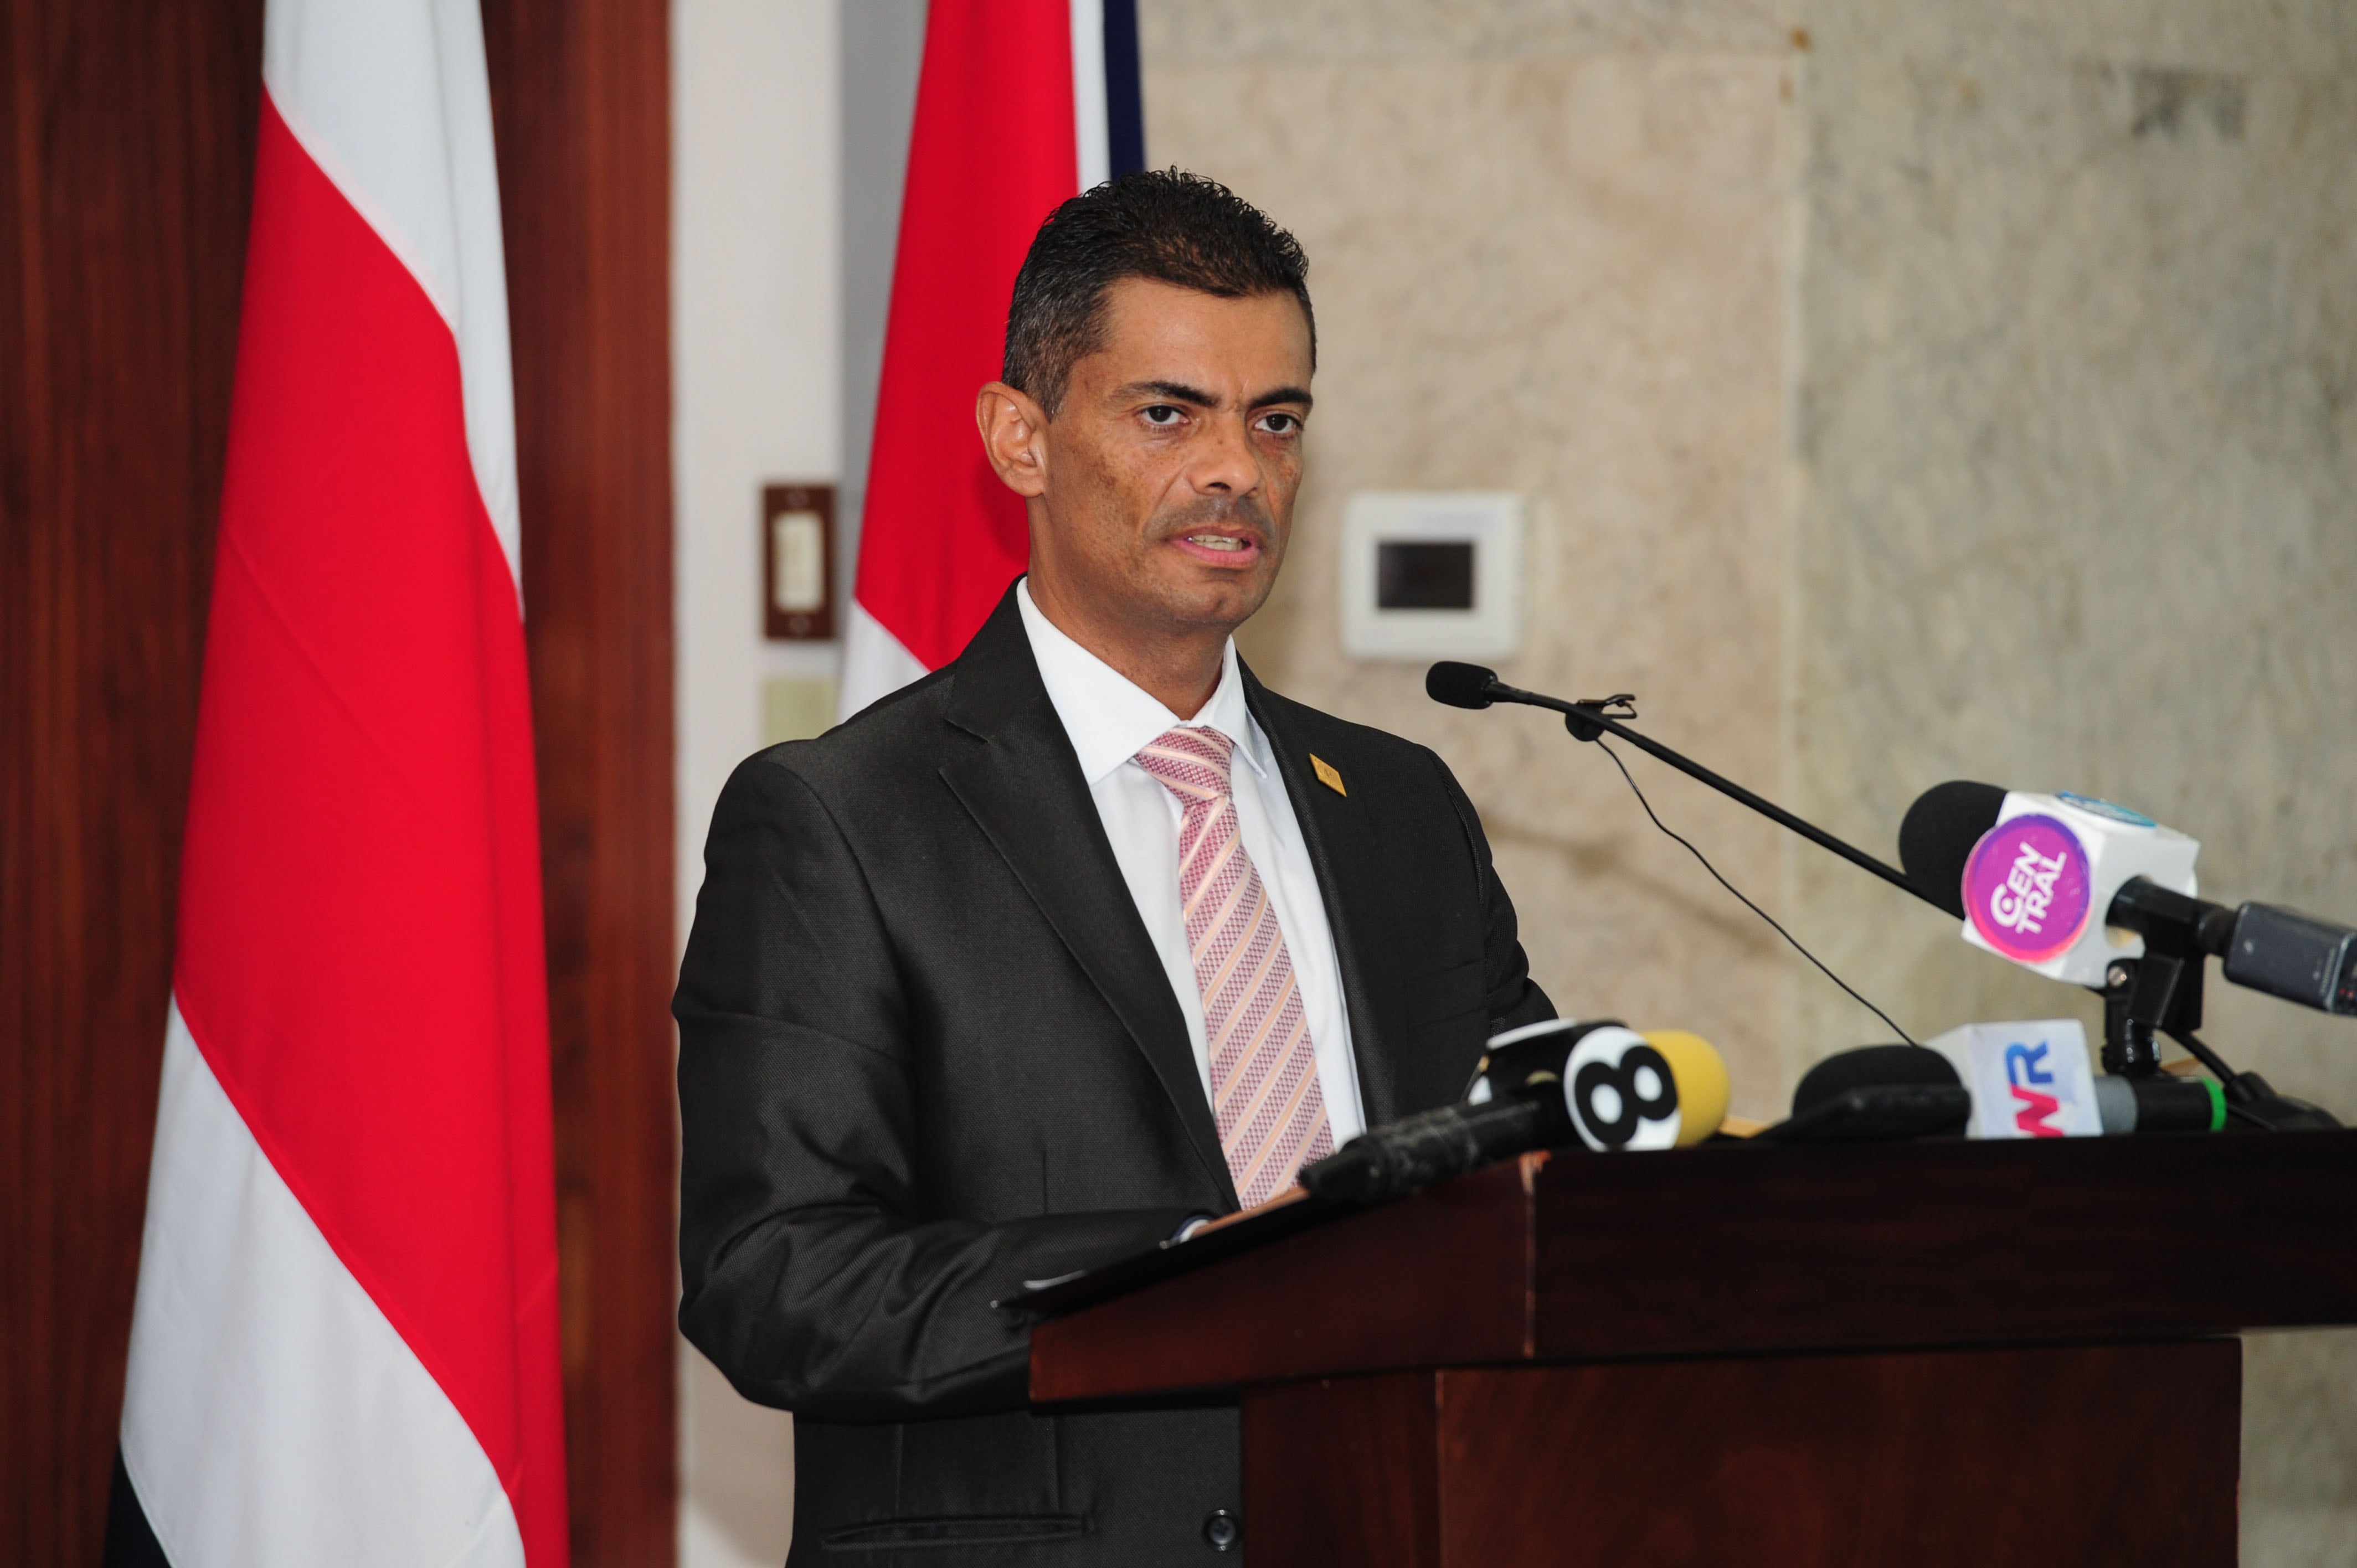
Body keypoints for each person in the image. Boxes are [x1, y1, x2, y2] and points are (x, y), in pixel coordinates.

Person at [676, 170, 1555, 1565]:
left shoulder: (1400, 807)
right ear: (1019, 437)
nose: (1235, 470)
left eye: (1276, 421)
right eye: (1168, 414)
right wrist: (1197, 1269)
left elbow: (1519, 1167)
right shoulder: (838, 820)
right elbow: (776, 1278)